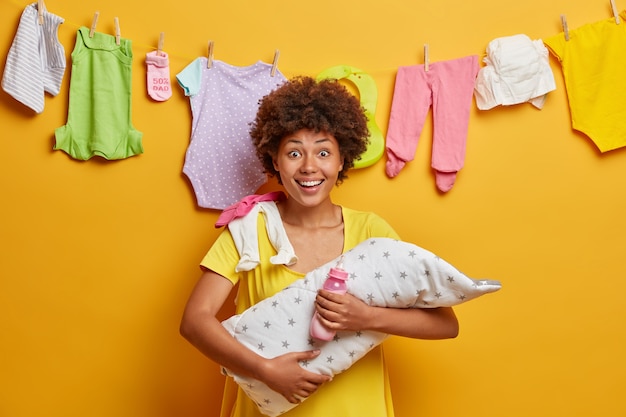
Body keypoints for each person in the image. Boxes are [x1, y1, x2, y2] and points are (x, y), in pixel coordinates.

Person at [179, 76, 459, 417]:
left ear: (342, 160)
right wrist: (264, 370)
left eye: (323, 152)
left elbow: (445, 323)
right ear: (275, 161)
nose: (309, 166)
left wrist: (366, 316)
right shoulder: (249, 230)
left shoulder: (371, 231)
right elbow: (195, 321)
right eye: (294, 152)